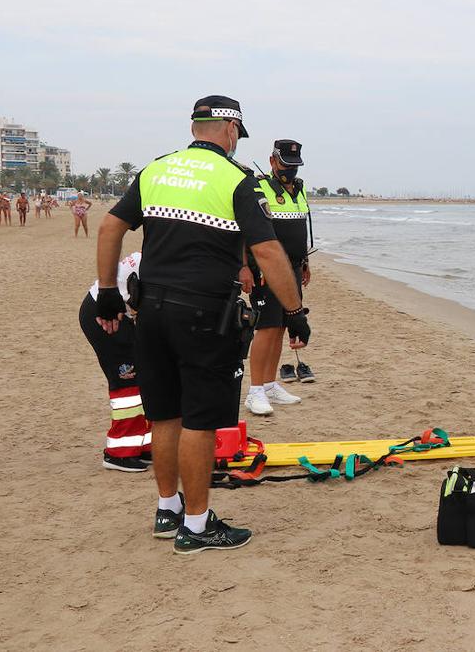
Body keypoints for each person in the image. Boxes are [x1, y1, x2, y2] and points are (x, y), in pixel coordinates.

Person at [95, 94, 311, 555]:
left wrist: (108, 293)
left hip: (149, 310)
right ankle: (196, 527)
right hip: (204, 314)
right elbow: (269, 252)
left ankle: (168, 508)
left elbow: (110, 228)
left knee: (166, 413)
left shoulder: (156, 170)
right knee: (201, 420)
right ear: (231, 131)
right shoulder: (236, 179)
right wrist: (294, 312)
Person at [243, 139, 313, 415]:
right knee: (267, 328)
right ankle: (255, 391)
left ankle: (271, 385)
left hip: (294, 268)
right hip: (266, 270)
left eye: (294, 165)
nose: (290, 170)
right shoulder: (258, 187)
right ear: (272, 161)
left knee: (283, 325)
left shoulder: (300, 189)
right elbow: (243, 232)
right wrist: (245, 266)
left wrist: (305, 262)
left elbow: (300, 228)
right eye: (285, 164)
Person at [80, 251, 152, 471]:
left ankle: (143, 444)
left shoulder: (157, 255)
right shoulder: (160, 266)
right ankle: (119, 454)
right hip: (103, 315)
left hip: (117, 313)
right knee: (127, 382)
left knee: (143, 377)